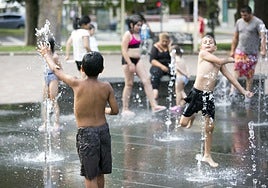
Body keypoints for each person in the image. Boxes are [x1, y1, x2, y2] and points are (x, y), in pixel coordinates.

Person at [38, 43, 119, 188]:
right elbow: (115, 110)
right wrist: (104, 110)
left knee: (90, 175)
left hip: (87, 134)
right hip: (103, 132)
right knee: (100, 172)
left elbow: (56, 71)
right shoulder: (106, 86)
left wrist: (46, 55)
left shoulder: (77, 83)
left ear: (82, 68)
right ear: (102, 70)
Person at [178, 35, 253, 167]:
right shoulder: (203, 54)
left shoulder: (219, 64)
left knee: (210, 127)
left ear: (215, 47)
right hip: (196, 94)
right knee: (183, 124)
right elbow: (219, 60)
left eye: (210, 42)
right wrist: (232, 59)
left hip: (209, 96)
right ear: (201, 47)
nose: (207, 44)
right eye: (204, 42)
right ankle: (193, 114)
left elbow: (231, 78)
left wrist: (244, 91)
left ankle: (207, 155)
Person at [121, 14, 166, 116]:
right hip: (128, 60)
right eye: (137, 25)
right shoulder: (127, 35)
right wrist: (130, 63)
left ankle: (154, 106)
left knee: (146, 80)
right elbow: (123, 50)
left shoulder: (140, 33)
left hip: (137, 59)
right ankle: (125, 109)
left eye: (140, 25)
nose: (139, 27)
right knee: (129, 84)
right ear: (131, 25)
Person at [229, 5, 266, 103]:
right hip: (240, 50)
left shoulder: (258, 22)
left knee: (249, 74)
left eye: (245, 15)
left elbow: (263, 37)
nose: (244, 17)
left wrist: (263, 50)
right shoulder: (239, 22)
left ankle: (247, 93)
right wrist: (232, 50)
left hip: (252, 53)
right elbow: (235, 37)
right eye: (242, 15)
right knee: (237, 68)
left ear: (250, 14)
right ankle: (233, 91)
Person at [38, 37, 62, 132]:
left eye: (46, 45)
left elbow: (60, 68)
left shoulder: (55, 56)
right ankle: (45, 123)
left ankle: (57, 123)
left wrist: (61, 79)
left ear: (50, 46)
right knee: (45, 100)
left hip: (53, 77)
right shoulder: (44, 55)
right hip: (46, 77)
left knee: (53, 100)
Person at [150, 32, 171, 101]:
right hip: (158, 66)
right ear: (160, 40)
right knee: (156, 74)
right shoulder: (155, 47)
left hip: (168, 66)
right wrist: (162, 66)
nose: (164, 43)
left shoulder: (169, 47)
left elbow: (174, 58)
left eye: (166, 41)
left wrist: (170, 47)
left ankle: (177, 92)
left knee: (175, 73)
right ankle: (155, 92)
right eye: (163, 41)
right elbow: (152, 60)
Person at [169, 44, 189, 114]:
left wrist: (184, 74)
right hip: (184, 78)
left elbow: (178, 68)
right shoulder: (181, 59)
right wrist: (187, 75)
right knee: (181, 91)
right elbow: (185, 67)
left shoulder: (176, 60)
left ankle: (178, 106)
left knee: (178, 92)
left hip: (180, 77)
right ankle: (187, 101)